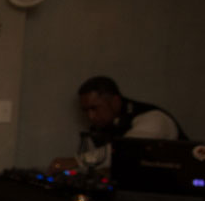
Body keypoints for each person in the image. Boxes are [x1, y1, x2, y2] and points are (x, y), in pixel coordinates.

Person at [50, 74, 187, 174]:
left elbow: (128, 150)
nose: (90, 116)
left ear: (115, 101)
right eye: (86, 111)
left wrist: (77, 161)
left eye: (95, 108)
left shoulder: (153, 118)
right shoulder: (101, 127)